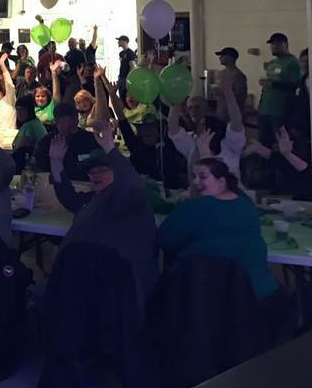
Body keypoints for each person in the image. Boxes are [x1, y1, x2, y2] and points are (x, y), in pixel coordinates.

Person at [49, 121, 158, 301]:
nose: (96, 174)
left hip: (118, 288)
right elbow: (69, 197)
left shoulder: (126, 199)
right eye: (92, 171)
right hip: (83, 279)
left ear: (117, 172)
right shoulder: (92, 198)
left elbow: (133, 186)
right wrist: (56, 161)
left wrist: (109, 147)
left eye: (103, 169)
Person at [159, 157, 279, 302]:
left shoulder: (194, 207)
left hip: (205, 296)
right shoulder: (246, 204)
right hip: (259, 294)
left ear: (222, 182)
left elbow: (165, 240)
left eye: (202, 177)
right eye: (194, 176)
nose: (195, 182)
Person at [168, 74, 245, 180]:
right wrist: (176, 98)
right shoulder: (192, 143)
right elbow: (173, 129)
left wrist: (228, 93)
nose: (199, 128)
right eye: (190, 108)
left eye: (203, 125)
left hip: (231, 195)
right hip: (201, 195)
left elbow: (236, 122)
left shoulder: (229, 144)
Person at [33, 102, 99, 181]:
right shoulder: (46, 143)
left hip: (86, 185)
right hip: (56, 185)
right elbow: (41, 171)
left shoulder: (90, 139)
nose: (74, 123)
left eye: (75, 119)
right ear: (57, 121)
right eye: (70, 120)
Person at [257, 32, 301, 146]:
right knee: (263, 144)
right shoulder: (272, 63)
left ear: (285, 44)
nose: (274, 47)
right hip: (265, 110)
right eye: (272, 44)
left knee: (280, 145)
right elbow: (267, 86)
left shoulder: (293, 63)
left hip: (280, 112)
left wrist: (273, 85)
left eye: (277, 44)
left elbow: (296, 87)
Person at [214, 47, 248, 120]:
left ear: (230, 58)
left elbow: (241, 96)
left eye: (222, 56)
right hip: (221, 112)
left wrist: (224, 93)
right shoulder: (220, 73)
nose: (220, 58)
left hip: (233, 115)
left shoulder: (238, 75)